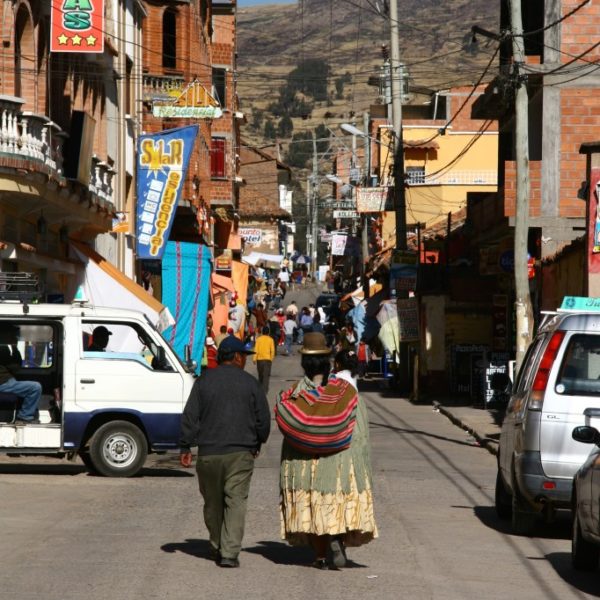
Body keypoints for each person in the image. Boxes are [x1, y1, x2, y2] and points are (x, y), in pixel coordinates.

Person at [277, 335, 377, 569]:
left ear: (304, 364)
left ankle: (320, 556)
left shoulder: (295, 394)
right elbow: (360, 438)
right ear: (328, 363)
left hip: (305, 463)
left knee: (313, 505)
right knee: (335, 503)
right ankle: (337, 538)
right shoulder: (347, 395)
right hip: (339, 461)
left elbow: (289, 429)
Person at [180, 336, 271, 568]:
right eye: (244, 357)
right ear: (237, 357)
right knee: (235, 500)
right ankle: (229, 552)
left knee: (212, 502)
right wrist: (258, 442)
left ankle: (217, 544)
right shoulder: (251, 384)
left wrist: (185, 446)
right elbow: (263, 419)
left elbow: (190, 416)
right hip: (241, 454)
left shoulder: (203, 381)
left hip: (209, 454)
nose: (245, 361)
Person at [0, 325, 42, 424]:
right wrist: (15, 347)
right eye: (13, 335)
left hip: (7, 381)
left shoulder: (4, 348)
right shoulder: (2, 349)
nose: (15, 338)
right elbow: (15, 367)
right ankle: (25, 416)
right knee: (35, 387)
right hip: (3, 383)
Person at [253, 326, 275, 394]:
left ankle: (260, 389)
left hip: (259, 360)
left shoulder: (258, 339)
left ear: (262, 332)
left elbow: (256, 349)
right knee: (266, 376)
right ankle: (264, 391)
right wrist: (271, 358)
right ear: (268, 332)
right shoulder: (270, 339)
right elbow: (273, 350)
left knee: (260, 375)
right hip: (267, 359)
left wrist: (254, 358)